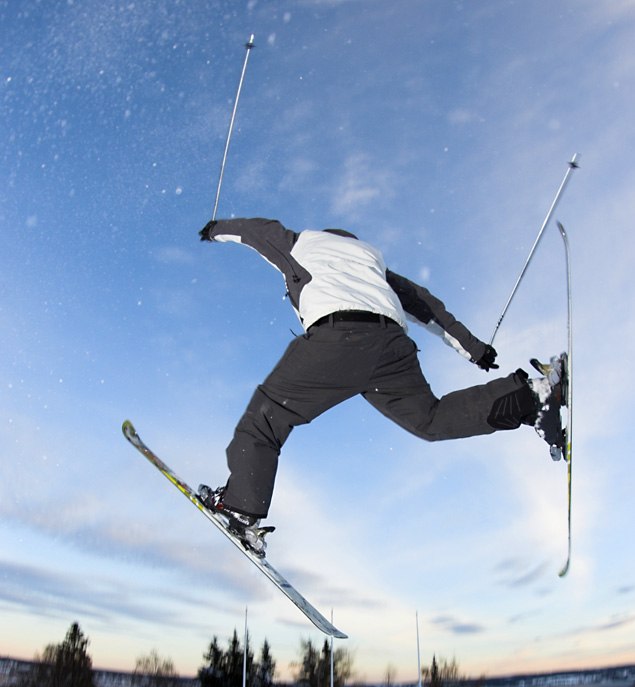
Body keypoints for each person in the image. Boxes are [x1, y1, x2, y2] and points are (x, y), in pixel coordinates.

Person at [196, 217, 564, 556]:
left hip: (337, 338)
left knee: (266, 418)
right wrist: (474, 349)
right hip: (392, 347)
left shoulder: (299, 243)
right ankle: (531, 396)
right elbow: (425, 305)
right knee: (429, 420)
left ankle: (241, 509)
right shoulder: (374, 264)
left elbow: (257, 230)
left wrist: (215, 229)